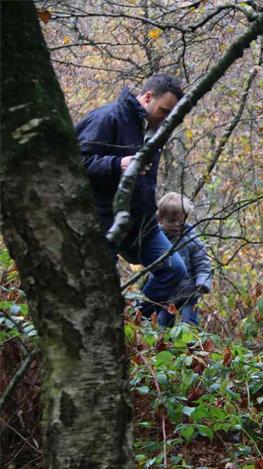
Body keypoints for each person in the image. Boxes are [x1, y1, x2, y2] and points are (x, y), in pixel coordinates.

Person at [76, 74, 186, 316]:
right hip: (104, 221)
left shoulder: (156, 132)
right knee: (102, 285)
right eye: (164, 111)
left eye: (172, 115)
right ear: (147, 97)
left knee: (174, 269)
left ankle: (136, 319)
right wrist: (118, 164)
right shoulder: (107, 118)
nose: (167, 118)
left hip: (142, 223)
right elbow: (75, 163)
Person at [155, 192, 211, 327]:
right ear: (160, 219)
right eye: (171, 221)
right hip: (165, 296)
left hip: (189, 294)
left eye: (180, 221)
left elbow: (202, 263)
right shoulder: (156, 241)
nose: (176, 225)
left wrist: (202, 282)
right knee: (162, 325)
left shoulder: (191, 239)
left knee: (189, 324)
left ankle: (191, 340)